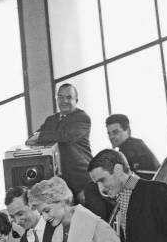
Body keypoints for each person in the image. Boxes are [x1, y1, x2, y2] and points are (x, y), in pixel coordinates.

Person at [26, 83, 108, 221]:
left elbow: (66, 135)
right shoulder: (51, 120)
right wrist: (39, 136)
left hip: (83, 181)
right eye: (60, 97)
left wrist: (41, 136)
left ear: (76, 100)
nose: (64, 101)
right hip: (62, 186)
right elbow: (31, 140)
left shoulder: (82, 118)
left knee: (96, 221)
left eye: (69, 97)